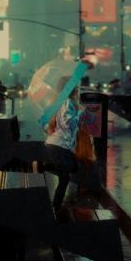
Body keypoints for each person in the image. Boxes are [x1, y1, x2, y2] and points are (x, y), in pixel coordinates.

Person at [43, 78, 83, 213]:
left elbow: (46, 125)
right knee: (65, 178)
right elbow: (68, 123)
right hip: (58, 146)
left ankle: (43, 165)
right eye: (76, 88)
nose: (78, 90)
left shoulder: (59, 102)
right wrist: (79, 114)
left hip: (55, 145)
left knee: (74, 167)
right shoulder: (67, 102)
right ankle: (56, 208)